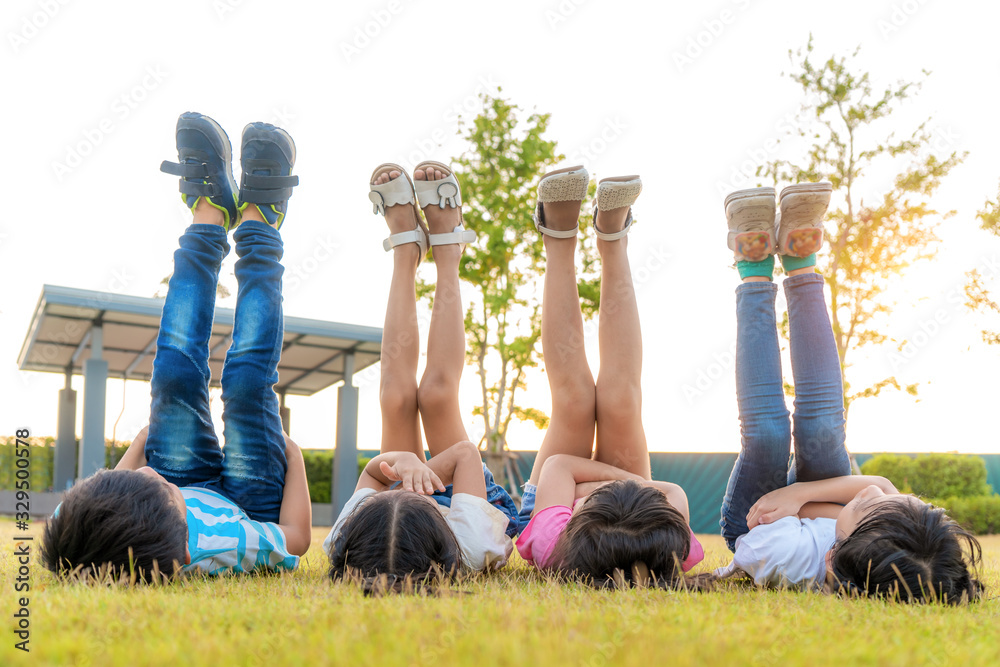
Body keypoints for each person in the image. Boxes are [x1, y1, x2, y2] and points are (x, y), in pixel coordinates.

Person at [41, 112, 311, 579]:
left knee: (173, 374)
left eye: (134, 479)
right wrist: (296, 458)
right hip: (252, 501)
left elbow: (120, 491)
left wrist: (141, 458)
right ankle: (260, 225)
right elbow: (297, 538)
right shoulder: (223, 545)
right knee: (247, 383)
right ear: (184, 543)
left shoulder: (74, 529)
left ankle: (209, 215)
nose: (147, 471)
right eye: (149, 483)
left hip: (178, 486)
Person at [715, 183, 983, 603]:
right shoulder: (907, 535)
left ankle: (753, 266)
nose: (871, 496)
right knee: (822, 427)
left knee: (768, 436)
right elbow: (880, 485)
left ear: (835, 555)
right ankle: (801, 260)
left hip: (756, 523)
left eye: (864, 509)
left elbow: (782, 516)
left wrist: (794, 501)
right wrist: (803, 495)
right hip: (809, 510)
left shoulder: (783, 558)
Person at [324, 161, 517, 588]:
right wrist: (420, 470)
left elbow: (375, 475)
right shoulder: (467, 544)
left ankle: (406, 253)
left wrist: (402, 468)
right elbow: (466, 454)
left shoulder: (346, 541)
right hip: (465, 498)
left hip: (389, 505)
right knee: (436, 395)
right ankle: (448, 254)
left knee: (394, 397)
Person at [514, 166, 705, 588]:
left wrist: (628, 487)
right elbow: (674, 496)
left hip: (556, 491)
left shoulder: (553, 544)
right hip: (632, 500)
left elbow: (561, 468)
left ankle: (558, 237)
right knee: (621, 400)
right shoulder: (673, 548)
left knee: (574, 400)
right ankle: (612, 241)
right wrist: (628, 489)